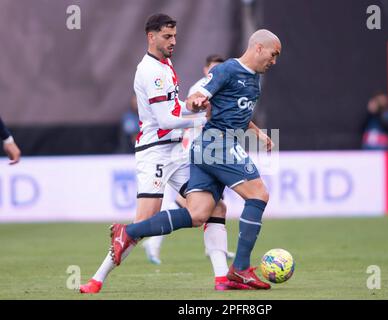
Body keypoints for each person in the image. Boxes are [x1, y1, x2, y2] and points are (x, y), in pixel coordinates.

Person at [80, 14, 246, 293]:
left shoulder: (164, 64)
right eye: (167, 36)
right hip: (154, 154)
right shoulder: (150, 71)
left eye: (175, 36)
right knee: (142, 223)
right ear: (151, 37)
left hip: (175, 151)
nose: (173, 41)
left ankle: (222, 280)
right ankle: (97, 280)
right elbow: (166, 121)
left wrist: (192, 106)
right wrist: (203, 119)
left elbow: (172, 111)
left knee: (215, 207)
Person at [110, 29, 281, 290]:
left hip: (208, 148)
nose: (274, 60)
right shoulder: (227, 70)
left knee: (198, 213)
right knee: (259, 194)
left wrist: (259, 134)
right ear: (258, 48)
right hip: (216, 144)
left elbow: (240, 115)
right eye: (273, 54)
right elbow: (199, 94)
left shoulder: (254, 79)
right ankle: (241, 268)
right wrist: (196, 100)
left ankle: (129, 232)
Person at [142, 54, 236, 265]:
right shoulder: (200, 88)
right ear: (205, 70)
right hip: (194, 149)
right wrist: (206, 120)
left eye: (219, 69)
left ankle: (213, 249)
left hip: (211, 148)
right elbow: (185, 115)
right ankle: (151, 239)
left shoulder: (223, 86)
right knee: (204, 202)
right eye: (212, 69)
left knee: (207, 202)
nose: (215, 73)